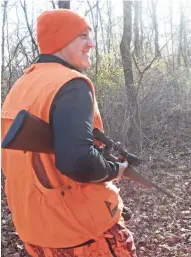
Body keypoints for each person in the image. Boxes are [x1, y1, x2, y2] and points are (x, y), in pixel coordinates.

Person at [1, 9, 137, 257]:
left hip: (34, 229)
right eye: (83, 36)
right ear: (60, 39)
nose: (91, 44)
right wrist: (116, 170)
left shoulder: (20, 86)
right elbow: (79, 163)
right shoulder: (71, 83)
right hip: (80, 231)